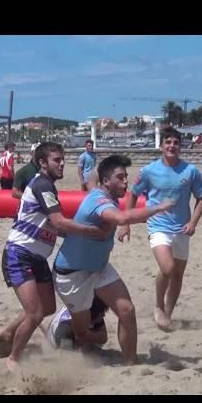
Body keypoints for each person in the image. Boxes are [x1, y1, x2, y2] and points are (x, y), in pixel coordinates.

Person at [0, 142, 110, 372]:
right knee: (35, 314)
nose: (62, 162)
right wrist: (93, 232)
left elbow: (57, 227)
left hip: (36, 258)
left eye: (63, 158)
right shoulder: (42, 184)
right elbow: (58, 223)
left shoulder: (48, 187)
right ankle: (13, 359)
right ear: (43, 163)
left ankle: (8, 331)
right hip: (19, 253)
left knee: (46, 309)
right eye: (57, 159)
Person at [52, 155, 174, 364]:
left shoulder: (103, 193)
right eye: (120, 177)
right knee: (82, 333)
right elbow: (120, 218)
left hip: (98, 268)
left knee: (127, 310)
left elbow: (91, 180)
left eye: (126, 177)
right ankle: (61, 325)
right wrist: (158, 208)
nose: (126, 181)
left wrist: (96, 173)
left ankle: (130, 363)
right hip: (72, 275)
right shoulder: (99, 201)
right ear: (106, 182)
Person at [117, 126, 202, 331]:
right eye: (168, 142)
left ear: (180, 147)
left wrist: (193, 222)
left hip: (182, 228)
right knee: (167, 268)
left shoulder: (190, 171)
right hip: (158, 226)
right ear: (161, 146)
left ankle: (168, 313)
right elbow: (132, 195)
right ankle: (158, 305)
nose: (172, 146)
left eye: (175, 143)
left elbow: (201, 199)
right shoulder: (149, 171)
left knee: (177, 275)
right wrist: (125, 224)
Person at [44, 297, 109, 350]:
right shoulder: (65, 329)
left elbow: (104, 338)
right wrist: (83, 336)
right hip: (57, 333)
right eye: (102, 313)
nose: (103, 315)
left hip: (66, 320)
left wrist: (83, 336)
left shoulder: (93, 313)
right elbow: (66, 355)